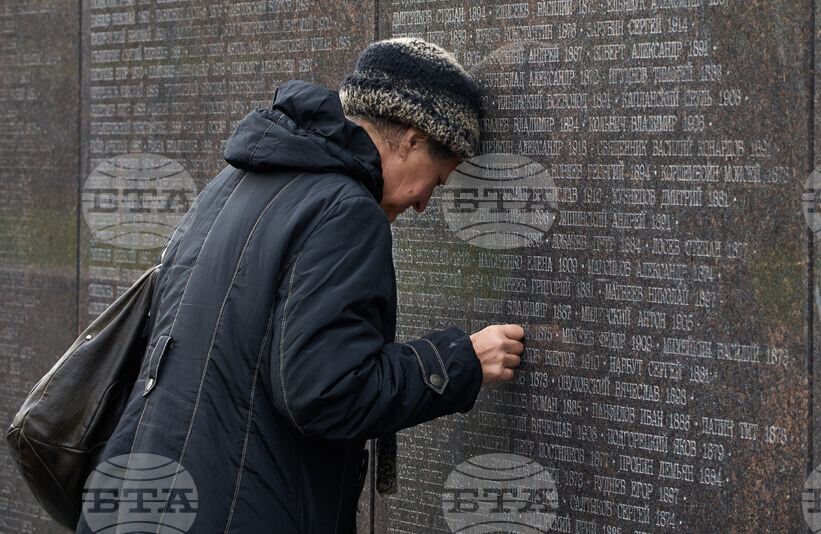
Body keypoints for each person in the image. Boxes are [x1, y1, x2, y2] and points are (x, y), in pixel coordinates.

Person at [78, 38, 525, 533]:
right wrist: (459, 361)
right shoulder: (347, 211)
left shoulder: (231, 186)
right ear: (413, 140)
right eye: (436, 182)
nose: (423, 205)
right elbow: (324, 391)